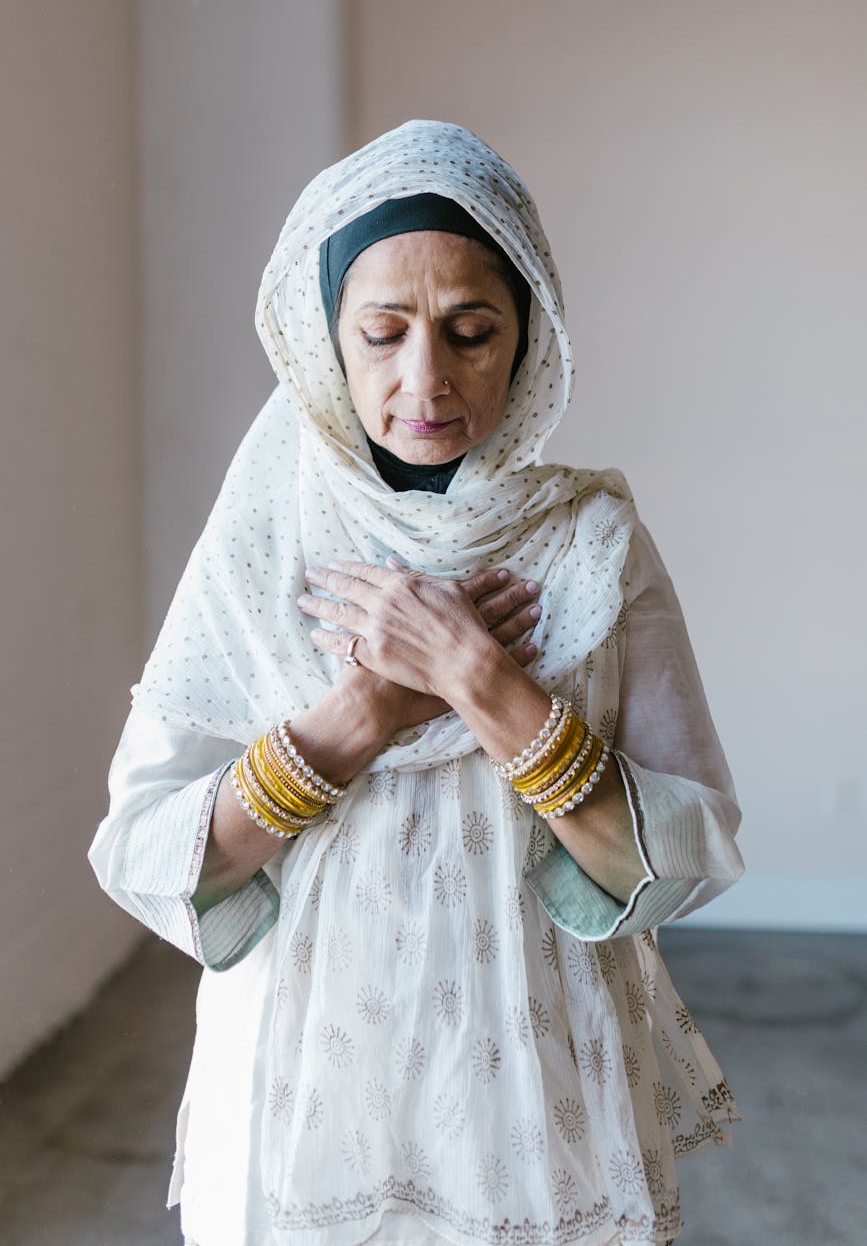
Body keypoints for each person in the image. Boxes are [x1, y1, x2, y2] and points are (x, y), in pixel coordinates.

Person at [89, 120, 743, 1246]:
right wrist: (366, 713)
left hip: (533, 1090)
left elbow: (685, 847)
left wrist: (476, 675)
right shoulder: (262, 546)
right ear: (324, 340)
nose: (425, 380)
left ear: (530, 335)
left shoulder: (590, 547)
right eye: (383, 333)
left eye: (470, 331)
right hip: (301, 1089)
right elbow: (147, 848)